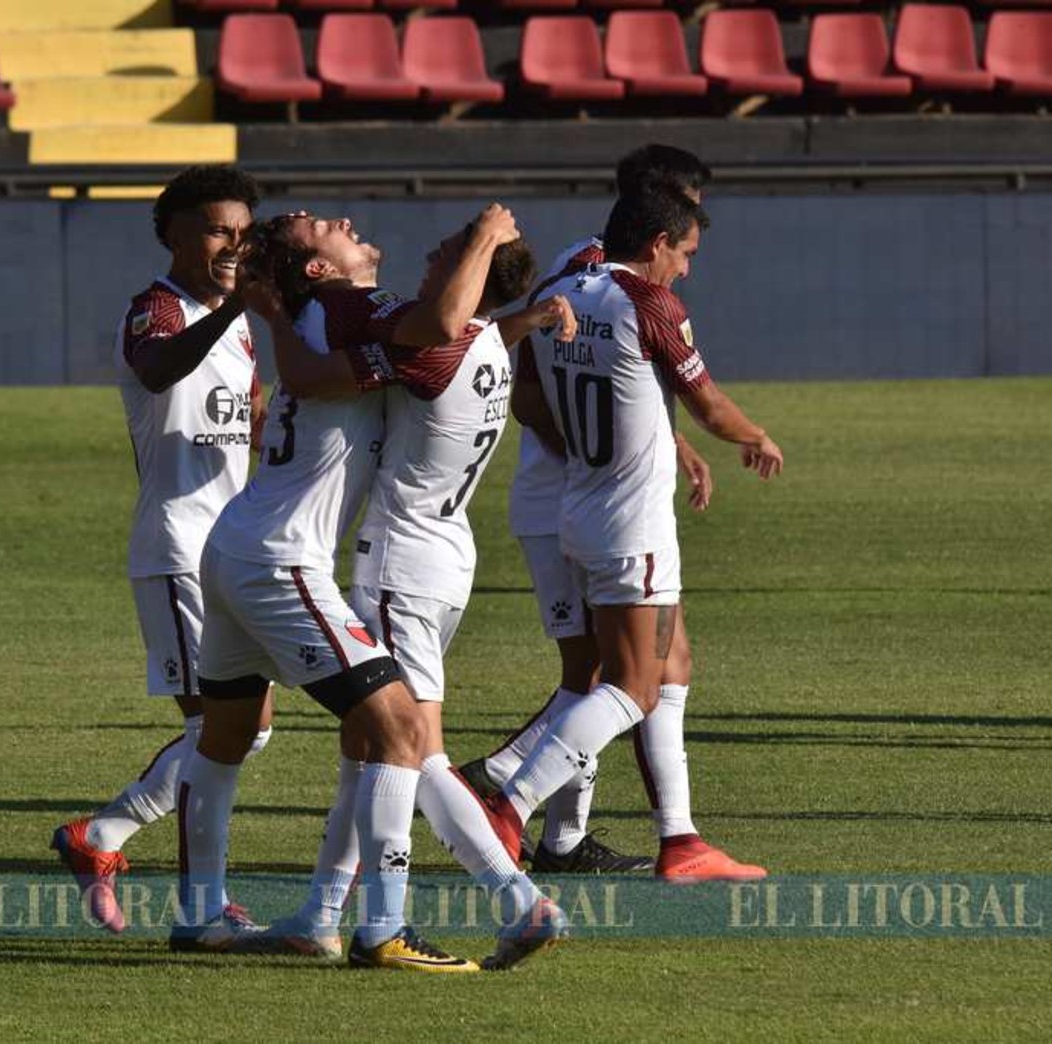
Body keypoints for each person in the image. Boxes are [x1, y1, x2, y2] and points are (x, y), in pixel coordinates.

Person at [173, 207, 519, 971]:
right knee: (400, 732)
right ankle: (383, 929)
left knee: (224, 739)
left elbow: (399, 350)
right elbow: (441, 323)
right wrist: (487, 239)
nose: (337, 218)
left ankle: (199, 913)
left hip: (236, 544)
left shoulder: (323, 311)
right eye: (316, 226)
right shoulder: (356, 306)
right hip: (280, 561)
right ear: (321, 269)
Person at [264, 218, 578, 971]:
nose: (429, 265)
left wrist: (478, 236)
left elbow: (428, 330)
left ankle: (513, 899)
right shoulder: (484, 347)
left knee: (413, 750)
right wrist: (521, 317)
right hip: (444, 556)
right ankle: (319, 912)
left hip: (401, 561)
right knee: (367, 743)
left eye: (442, 257)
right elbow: (468, 332)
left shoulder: (439, 346)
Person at [460, 145, 758, 881]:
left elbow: (548, 387)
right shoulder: (636, 295)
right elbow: (694, 399)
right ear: (656, 222)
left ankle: (657, 838)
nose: (690, 259)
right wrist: (746, 436)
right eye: (685, 239)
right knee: (616, 682)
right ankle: (503, 793)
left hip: (581, 507)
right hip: (603, 508)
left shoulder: (569, 285)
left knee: (655, 664)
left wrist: (656, 444)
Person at [50, 165, 270, 933]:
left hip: (233, 549)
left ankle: (101, 836)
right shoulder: (155, 309)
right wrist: (235, 308)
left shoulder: (237, 320)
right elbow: (158, 367)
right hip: (176, 546)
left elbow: (246, 412)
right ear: (173, 231)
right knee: (215, 728)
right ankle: (199, 903)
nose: (232, 245)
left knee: (250, 726)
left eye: (243, 233)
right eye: (217, 229)